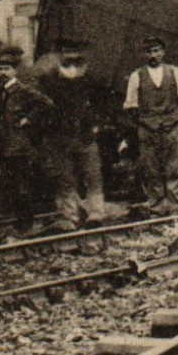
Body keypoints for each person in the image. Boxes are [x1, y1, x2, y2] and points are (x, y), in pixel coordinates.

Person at [0, 47, 56, 223]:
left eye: (6, 69)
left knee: (19, 184)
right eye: (0, 69)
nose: (2, 73)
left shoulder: (22, 90)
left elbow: (46, 104)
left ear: (14, 71)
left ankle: (24, 223)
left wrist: (28, 120)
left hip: (15, 144)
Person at [36, 40, 112, 229]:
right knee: (65, 178)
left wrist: (97, 125)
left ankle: (96, 213)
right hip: (60, 138)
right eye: (67, 56)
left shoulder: (92, 81)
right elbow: (42, 106)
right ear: (61, 57)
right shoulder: (49, 81)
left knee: (93, 175)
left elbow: (103, 104)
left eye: (75, 56)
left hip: (85, 136)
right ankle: (69, 215)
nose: (71, 61)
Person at [123, 37, 178, 215]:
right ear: (144, 54)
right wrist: (146, 123)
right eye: (149, 52)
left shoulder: (174, 72)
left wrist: (174, 120)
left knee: (174, 169)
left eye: (156, 51)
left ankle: (175, 209)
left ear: (163, 52)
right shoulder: (136, 76)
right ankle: (156, 209)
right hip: (148, 130)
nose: (153, 55)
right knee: (152, 169)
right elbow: (131, 105)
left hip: (172, 128)